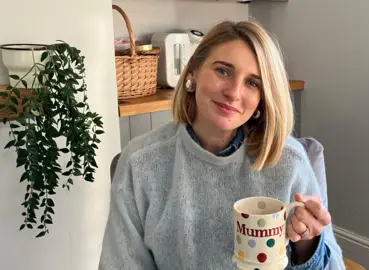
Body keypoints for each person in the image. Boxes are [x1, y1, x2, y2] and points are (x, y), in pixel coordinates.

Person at [99, 20, 345, 270]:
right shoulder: (140, 163)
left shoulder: (289, 162)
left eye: (252, 83)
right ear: (193, 71)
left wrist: (308, 248)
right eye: (223, 71)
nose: (234, 92)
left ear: (262, 97)